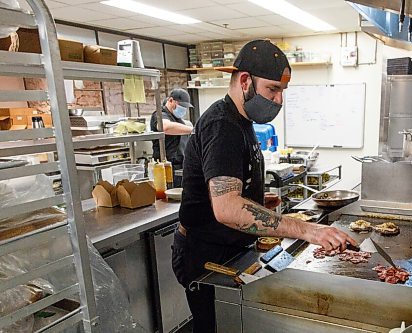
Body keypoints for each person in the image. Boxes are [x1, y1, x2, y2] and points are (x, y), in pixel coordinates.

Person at [172, 40, 357, 333]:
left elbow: (231, 189)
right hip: (206, 256)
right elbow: (227, 207)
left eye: (282, 91)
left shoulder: (242, 119)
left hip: (230, 248)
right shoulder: (222, 126)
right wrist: (308, 230)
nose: (279, 100)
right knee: (217, 327)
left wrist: (256, 199)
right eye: (273, 89)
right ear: (245, 81)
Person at [150, 88, 193, 187]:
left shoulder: (178, 119)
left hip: (180, 165)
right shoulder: (160, 114)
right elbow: (165, 127)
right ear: (170, 100)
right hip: (164, 167)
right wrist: (192, 130)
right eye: (181, 106)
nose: (183, 109)